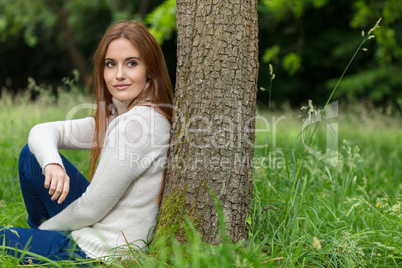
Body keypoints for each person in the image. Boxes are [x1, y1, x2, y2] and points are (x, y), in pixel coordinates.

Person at [0, 20, 173, 264]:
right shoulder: (122, 114)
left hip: (99, 253)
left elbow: (91, 208)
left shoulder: (137, 125)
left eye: (131, 64)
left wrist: (46, 230)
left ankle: (39, 239)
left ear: (150, 70)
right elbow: (42, 131)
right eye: (110, 64)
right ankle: (40, 241)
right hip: (96, 231)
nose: (119, 74)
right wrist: (53, 164)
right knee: (32, 156)